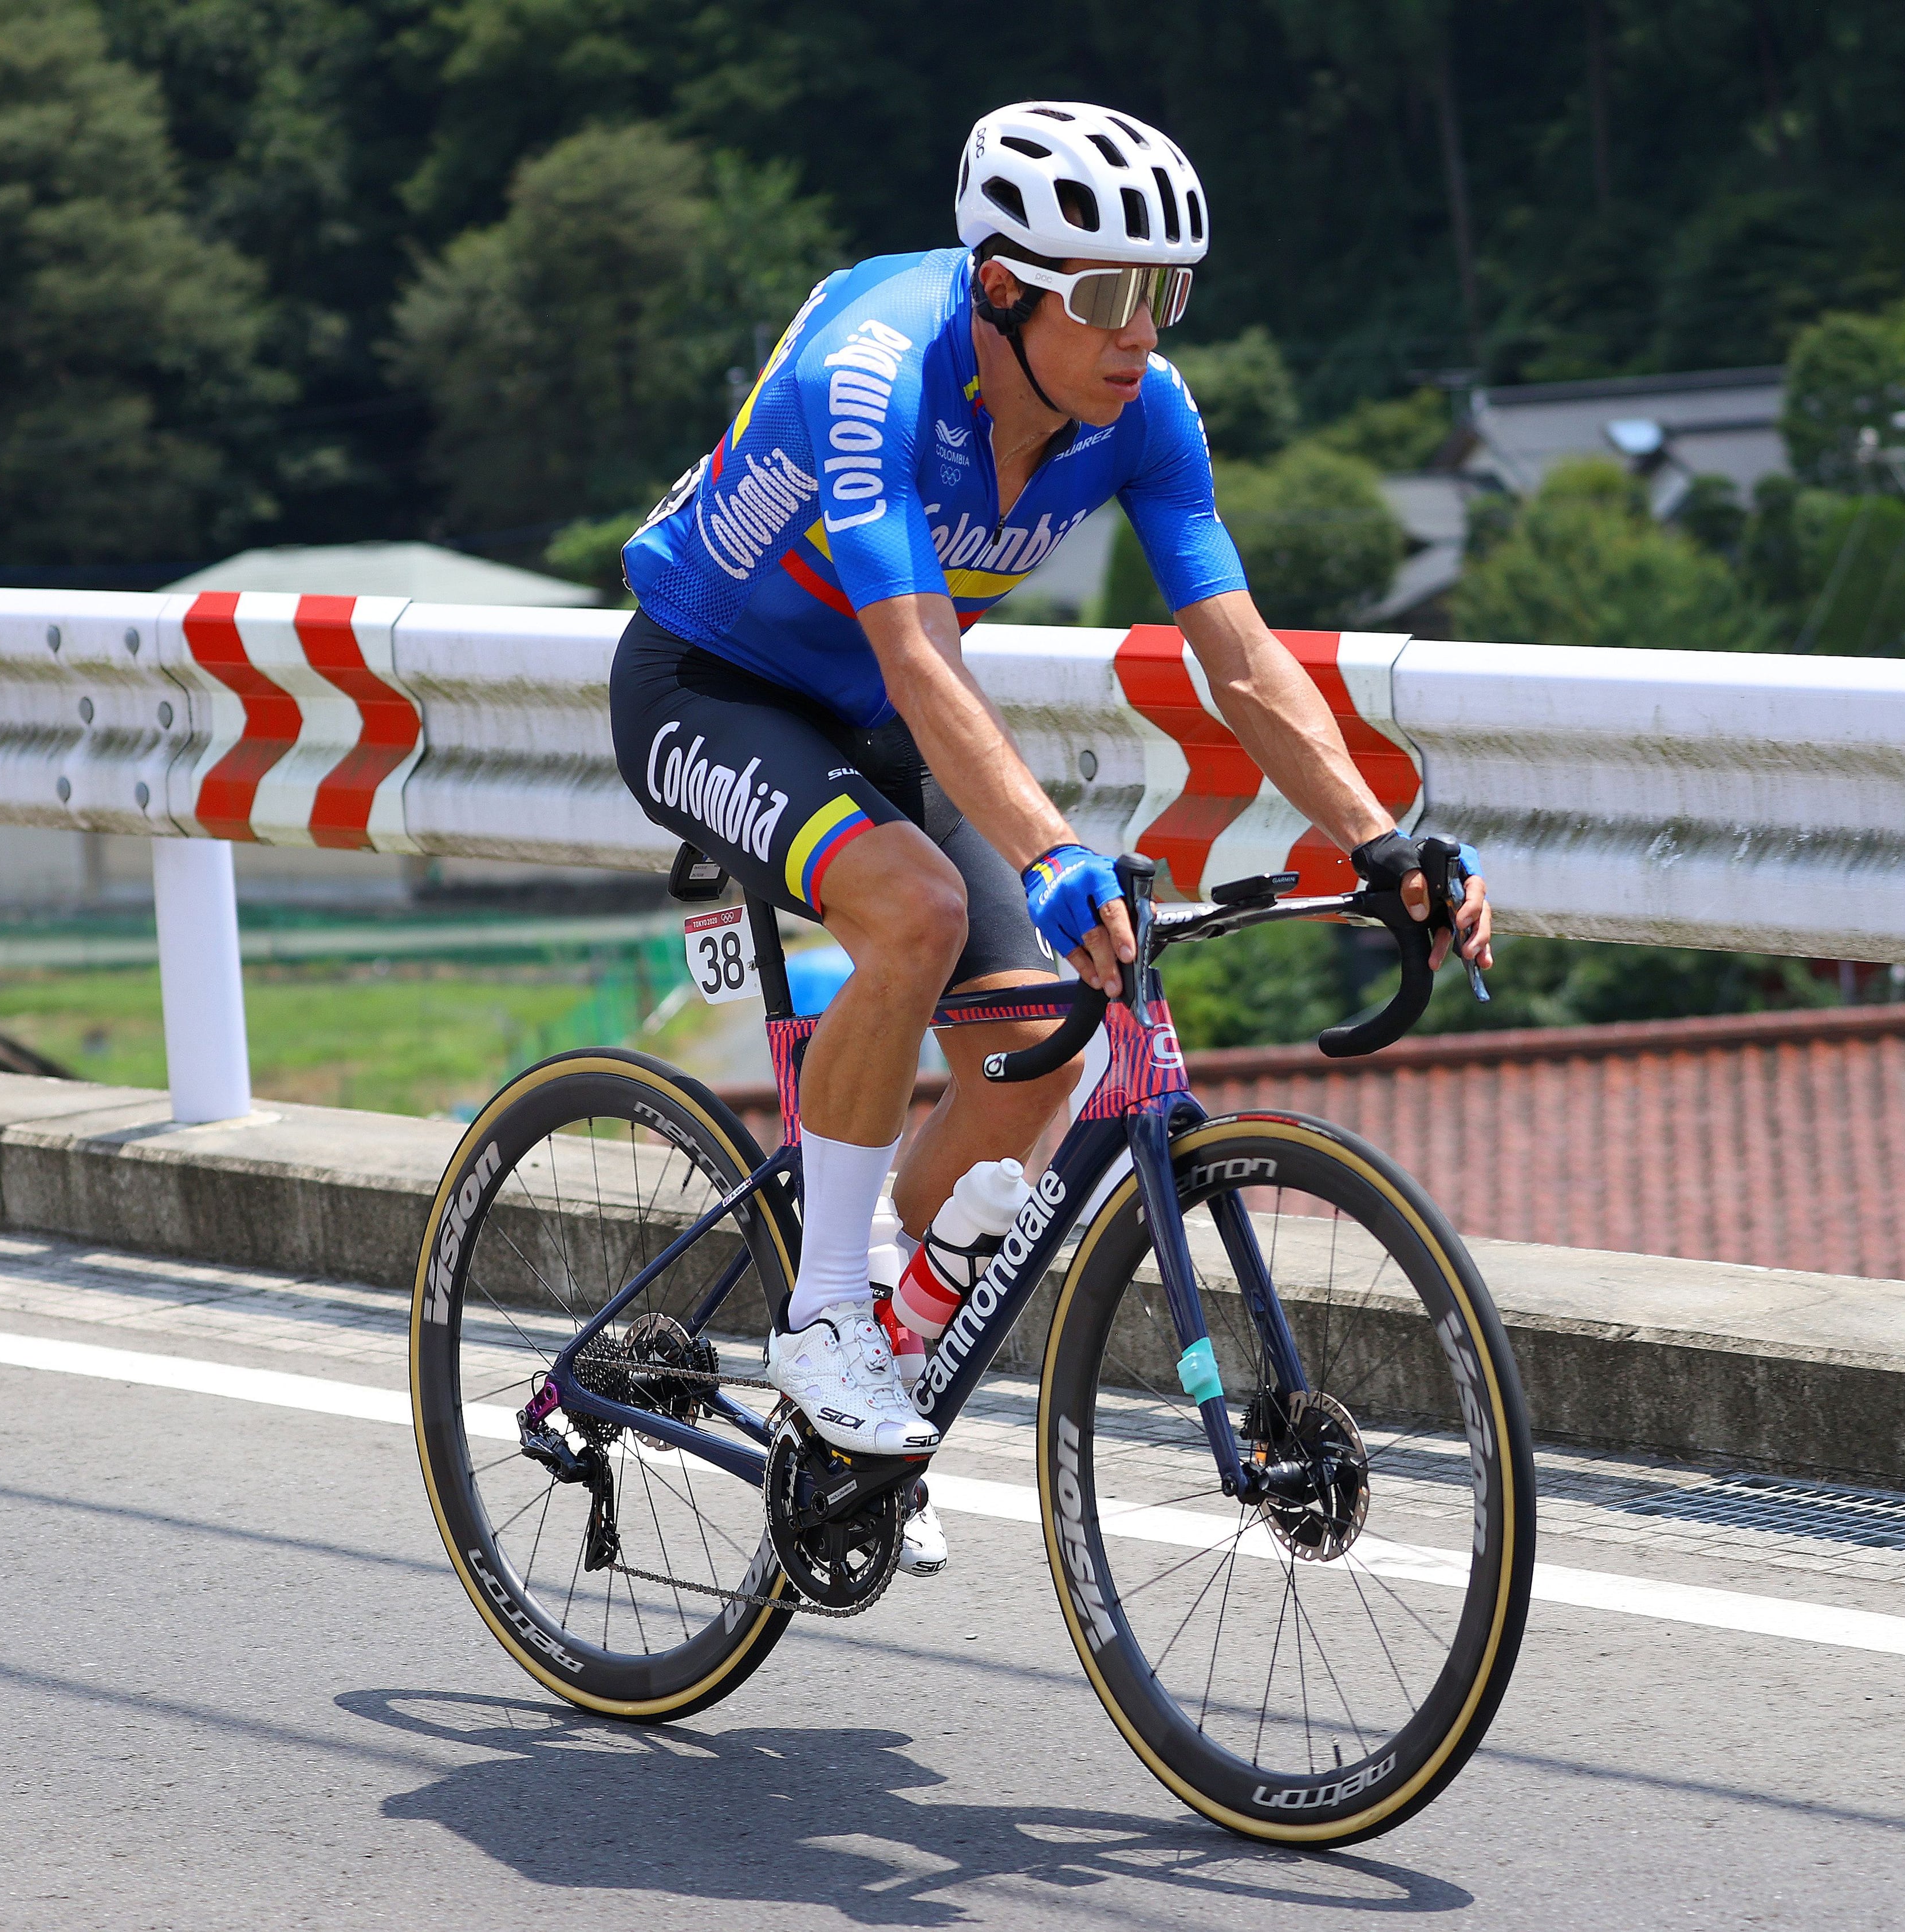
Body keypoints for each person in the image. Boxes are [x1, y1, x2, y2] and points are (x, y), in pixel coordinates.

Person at [611, 101, 1491, 1574]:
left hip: (885, 714)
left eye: (1168, 292)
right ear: (1001, 286)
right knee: (915, 910)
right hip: (712, 682)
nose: (1141, 330)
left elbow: (1243, 658)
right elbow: (912, 654)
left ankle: (880, 1351)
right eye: (1105, 297)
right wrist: (1046, 850)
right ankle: (824, 1317)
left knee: (1042, 1036)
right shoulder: (875, 373)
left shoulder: (1142, 409)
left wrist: (1379, 836)